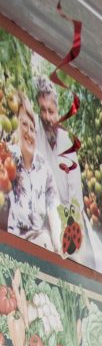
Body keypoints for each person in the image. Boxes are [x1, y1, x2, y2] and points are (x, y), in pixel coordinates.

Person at [34, 77, 90, 267]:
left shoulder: (67, 142)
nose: (47, 117)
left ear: (59, 112)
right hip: (43, 218)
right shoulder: (36, 133)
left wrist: (69, 228)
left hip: (67, 219)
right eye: (42, 110)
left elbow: (75, 194)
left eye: (51, 111)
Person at [0, 94, 62, 255]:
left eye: (32, 128)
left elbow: (53, 205)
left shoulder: (44, 167)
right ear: (16, 128)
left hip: (41, 246)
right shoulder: (7, 157)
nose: (28, 132)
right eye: (24, 125)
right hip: (12, 247)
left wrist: (59, 248)